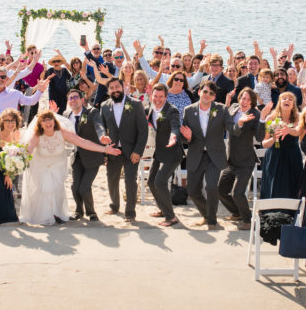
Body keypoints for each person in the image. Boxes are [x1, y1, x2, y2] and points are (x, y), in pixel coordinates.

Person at [20, 110, 120, 225]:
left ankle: (56, 213)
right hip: (40, 165)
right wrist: (19, 160)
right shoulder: (36, 136)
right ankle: (45, 216)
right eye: (44, 120)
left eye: (50, 119)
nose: (48, 122)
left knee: (56, 189)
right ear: (40, 123)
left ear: (54, 120)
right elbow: (28, 151)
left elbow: (82, 142)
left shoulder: (62, 132)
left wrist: (104, 149)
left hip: (57, 165)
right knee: (45, 189)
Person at [179, 80, 234, 228]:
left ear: (214, 97)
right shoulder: (189, 110)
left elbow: (232, 129)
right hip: (196, 154)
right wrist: (188, 138)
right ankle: (207, 214)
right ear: (199, 92)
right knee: (192, 190)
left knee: (211, 187)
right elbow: (184, 135)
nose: (207, 95)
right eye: (205, 91)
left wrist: (240, 124)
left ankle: (211, 220)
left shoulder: (222, 110)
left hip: (214, 156)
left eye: (211, 93)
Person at [100, 78, 149, 221]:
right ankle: (114, 206)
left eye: (117, 87)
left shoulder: (136, 104)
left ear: (123, 87)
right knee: (111, 180)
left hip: (131, 150)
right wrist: (104, 151)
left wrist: (138, 152)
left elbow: (143, 130)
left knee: (130, 181)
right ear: (108, 90)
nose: (115, 90)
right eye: (112, 88)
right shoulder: (104, 106)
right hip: (113, 151)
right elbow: (102, 129)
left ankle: (130, 212)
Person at [218, 88, 266, 227]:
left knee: (237, 193)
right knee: (221, 190)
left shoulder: (255, 114)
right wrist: (226, 105)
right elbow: (226, 124)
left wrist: (263, 119)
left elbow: (259, 137)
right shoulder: (233, 108)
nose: (244, 102)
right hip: (231, 159)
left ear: (252, 102)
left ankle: (248, 220)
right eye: (242, 98)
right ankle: (237, 212)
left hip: (246, 161)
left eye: (248, 100)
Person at [63, 89, 107, 221]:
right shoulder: (66, 115)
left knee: (84, 187)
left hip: (92, 157)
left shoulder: (92, 112)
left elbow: (99, 126)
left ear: (82, 99)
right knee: (75, 187)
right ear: (68, 102)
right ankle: (78, 211)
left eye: (76, 97)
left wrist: (102, 136)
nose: (73, 100)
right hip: (75, 157)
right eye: (70, 98)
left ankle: (91, 212)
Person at [146, 83, 185, 227]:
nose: (157, 99)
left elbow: (175, 126)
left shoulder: (172, 111)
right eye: (155, 96)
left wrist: (174, 136)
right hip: (160, 151)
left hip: (173, 152)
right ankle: (163, 209)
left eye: (161, 97)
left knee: (160, 182)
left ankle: (171, 217)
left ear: (166, 97)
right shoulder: (150, 108)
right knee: (151, 181)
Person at [259, 91, 302, 200]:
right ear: (280, 102)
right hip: (275, 155)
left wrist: (288, 130)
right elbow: (264, 143)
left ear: (293, 105)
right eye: (284, 98)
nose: (287, 100)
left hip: (292, 156)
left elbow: (297, 131)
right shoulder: (270, 119)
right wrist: (273, 139)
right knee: (274, 186)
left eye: (290, 99)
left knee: (292, 186)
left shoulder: (298, 117)